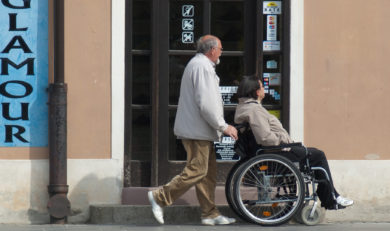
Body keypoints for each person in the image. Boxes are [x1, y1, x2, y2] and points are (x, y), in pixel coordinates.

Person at [148, 35, 238, 225]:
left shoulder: (200, 65)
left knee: (207, 174)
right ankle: (159, 197)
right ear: (212, 50)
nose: (221, 52)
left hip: (199, 130)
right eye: (220, 49)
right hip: (197, 131)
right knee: (197, 171)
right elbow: (206, 103)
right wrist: (223, 126)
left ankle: (209, 213)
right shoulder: (202, 67)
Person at [234, 75, 354, 210]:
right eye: (262, 86)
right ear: (256, 91)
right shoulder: (254, 110)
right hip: (274, 153)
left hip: (271, 152)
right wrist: (284, 140)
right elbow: (265, 138)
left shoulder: (245, 107)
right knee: (318, 155)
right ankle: (331, 197)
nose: (264, 89)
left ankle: (330, 194)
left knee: (312, 153)